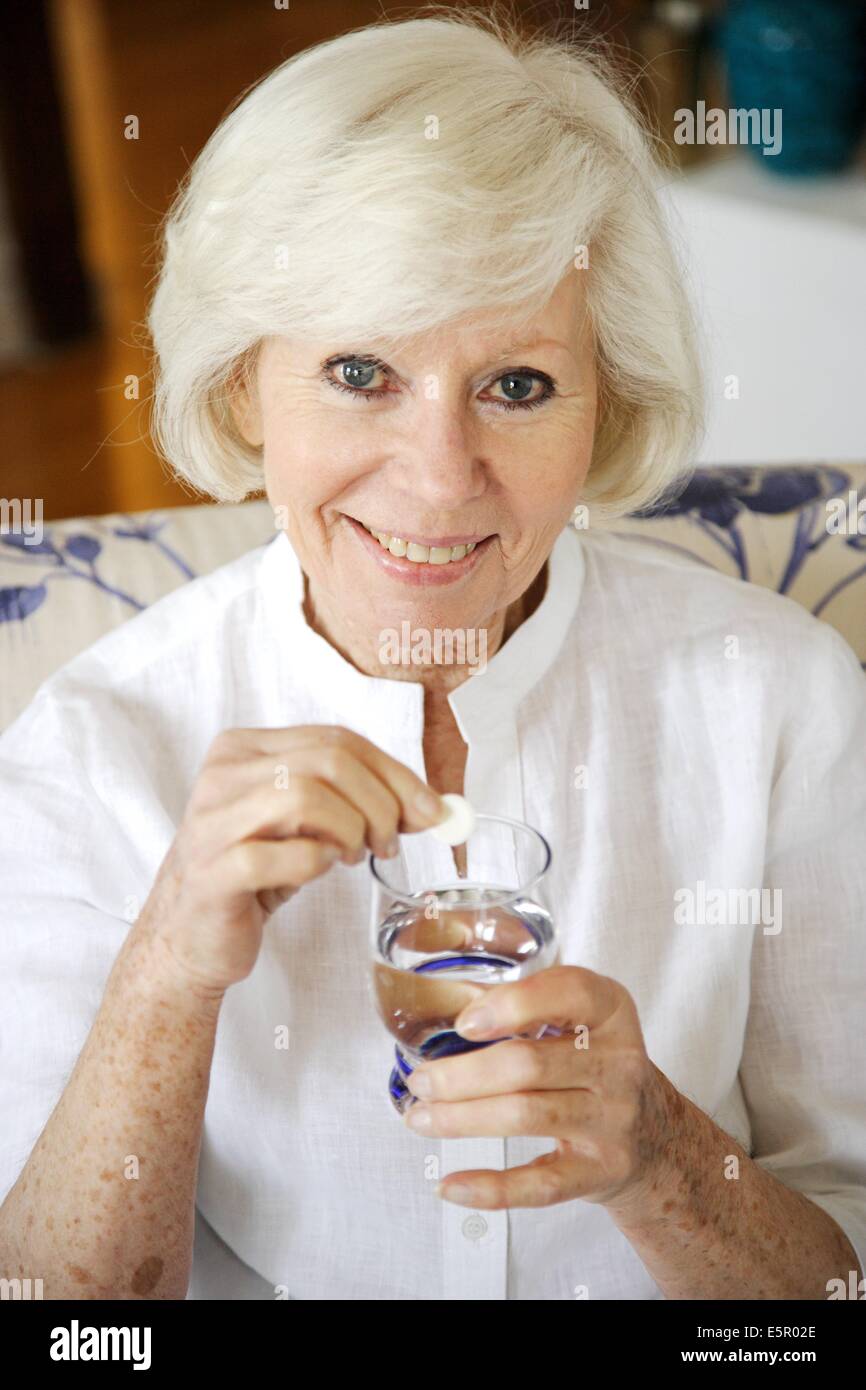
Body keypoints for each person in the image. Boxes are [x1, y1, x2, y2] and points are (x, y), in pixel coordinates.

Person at [1, 6, 864, 1301]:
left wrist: (665, 1160)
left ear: (605, 397)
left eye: (515, 384)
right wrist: (167, 966)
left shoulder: (778, 699)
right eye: (359, 371)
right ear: (243, 386)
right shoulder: (93, 742)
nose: (436, 478)